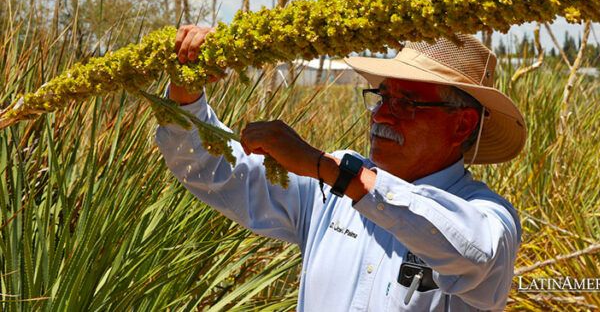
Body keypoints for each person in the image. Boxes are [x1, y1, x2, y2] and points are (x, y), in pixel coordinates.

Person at [155, 25, 528, 311]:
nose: (382, 115)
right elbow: (213, 170)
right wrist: (186, 91)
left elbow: (471, 251)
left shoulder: (491, 218)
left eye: (406, 103)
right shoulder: (328, 188)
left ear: (462, 125)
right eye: (382, 97)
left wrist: (326, 168)